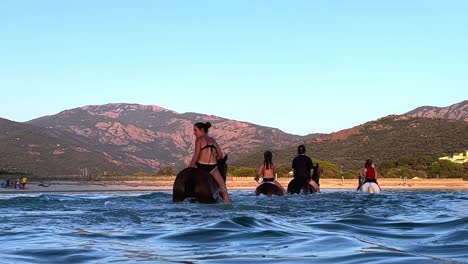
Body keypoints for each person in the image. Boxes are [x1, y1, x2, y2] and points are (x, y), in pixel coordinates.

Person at [188, 122, 231, 203]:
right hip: (213, 168)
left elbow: (196, 155)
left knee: (190, 184)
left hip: (201, 167)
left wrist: (189, 167)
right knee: (223, 187)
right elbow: (220, 156)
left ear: (202, 130)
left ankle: (192, 198)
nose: (194, 133)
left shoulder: (199, 140)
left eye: (195, 130)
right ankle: (228, 205)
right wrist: (213, 159)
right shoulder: (213, 140)